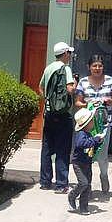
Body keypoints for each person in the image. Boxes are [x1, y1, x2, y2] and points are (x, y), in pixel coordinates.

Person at [75, 55, 112, 197]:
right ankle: (87, 184)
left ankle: (104, 175)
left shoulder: (111, 81)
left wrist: (107, 101)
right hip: (86, 124)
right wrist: (89, 104)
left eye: (100, 66)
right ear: (89, 67)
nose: (97, 68)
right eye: (94, 66)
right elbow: (77, 103)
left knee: (101, 155)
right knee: (86, 154)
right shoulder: (82, 82)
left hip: (104, 125)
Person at [38, 41, 77, 194]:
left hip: (49, 114)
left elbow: (40, 87)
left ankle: (45, 181)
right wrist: (75, 83)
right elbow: (69, 89)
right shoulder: (65, 68)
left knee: (47, 148)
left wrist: (49, 101)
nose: (70, 56)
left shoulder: (48, 68)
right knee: (62, 148)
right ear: (65, 53)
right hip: (63, 115)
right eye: (70, 53)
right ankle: (61, 184)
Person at [67, 107, 103, 216]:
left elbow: (91, 148)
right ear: (86, 124)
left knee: (88, 186)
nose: (93, 123)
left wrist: (98, 143)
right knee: (83, 183)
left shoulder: (89, 135)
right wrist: (94, 140)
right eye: (91, 121)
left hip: (87, 163)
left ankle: (83, 206)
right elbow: (81, 144)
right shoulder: (81, 134)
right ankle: (72, 196)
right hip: (78, 163)